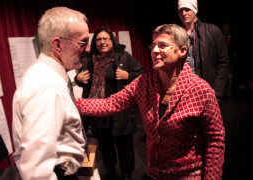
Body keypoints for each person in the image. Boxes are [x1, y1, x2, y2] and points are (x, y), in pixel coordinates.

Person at [76, 24, 225, 179]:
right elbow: (109, 104)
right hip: (153, 174)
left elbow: (215, 140)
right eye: (153, 45)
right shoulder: (144, 83)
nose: (154, 50)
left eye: (162, 45)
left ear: (182, 51)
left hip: (187, 176)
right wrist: (69, 101)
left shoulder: (201, 90)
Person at [12, 7, 90, 180]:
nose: (88, 48)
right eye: (83, 42)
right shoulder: (47, 86)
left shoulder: (52, 77)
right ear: (58, 45)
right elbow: (35, 172)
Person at [75, 26, 144, 180]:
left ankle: (127, 174)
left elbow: (142, 74)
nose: (102, 42)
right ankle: (110, 171)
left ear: (112, 41)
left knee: (124, 146)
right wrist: (77, 79)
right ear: (94, 43)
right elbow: (83, 80)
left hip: (119, 112)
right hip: (97, 115)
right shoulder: (88, 60)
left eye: (106, 38)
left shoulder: (123, 57)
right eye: (99, 39)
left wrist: (128, 75)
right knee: (105, 147)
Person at [177, 0, 229, 102]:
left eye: (187, 9)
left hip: (207, 90)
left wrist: (217, 92)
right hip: (184, 91)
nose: (183, 13)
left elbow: (223, 62)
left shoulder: (213, 31)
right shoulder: (176, 34)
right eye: (180, 11)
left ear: (194, 10)